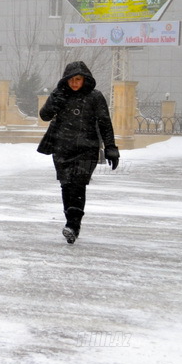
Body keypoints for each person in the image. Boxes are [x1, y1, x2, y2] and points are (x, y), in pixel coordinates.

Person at [37, 61, 119, 244]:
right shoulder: (60, 94)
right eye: (71, 79)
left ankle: (74, 225)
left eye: (78, 79)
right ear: (66, 80)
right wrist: (54, 102)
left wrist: (111, 147)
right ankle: (70, 223)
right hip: (62, 148)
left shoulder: (95, 97)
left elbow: (105, 122)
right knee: (66, 185)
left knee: (78, 184)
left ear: (85, 80)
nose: (74, 83)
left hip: (87, 148)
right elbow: (44, 115)